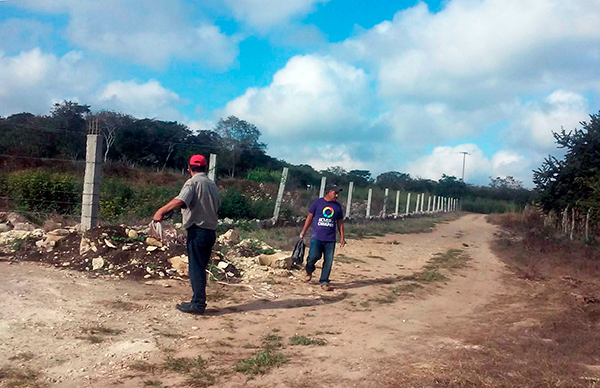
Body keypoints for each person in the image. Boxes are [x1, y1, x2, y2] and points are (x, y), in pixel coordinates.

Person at [153, 154, 219, 315]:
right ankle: (198, 301)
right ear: (205, 168)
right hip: (210, 232)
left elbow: (181, 200)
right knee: (200, 268)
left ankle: (197, 304)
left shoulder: (192, 182)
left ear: (189, 168)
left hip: (198, 232)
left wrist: (160, 212)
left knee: (196, 268)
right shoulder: (212, 184)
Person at [299, 184, 346, 291]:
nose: (337, 195)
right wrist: (303, 231)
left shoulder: (337, 207)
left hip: (330, 239)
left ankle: (324, 281)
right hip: (317, 237)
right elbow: (310, 217)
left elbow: (340, 223)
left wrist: (342, 237)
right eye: (335, 193)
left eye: (338, 193)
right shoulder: (318, 203)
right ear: (328, 192)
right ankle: (309, 269)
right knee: (313, 257)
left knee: (328, 261)